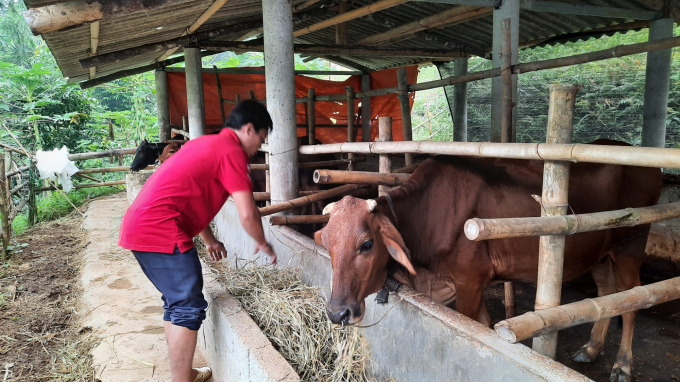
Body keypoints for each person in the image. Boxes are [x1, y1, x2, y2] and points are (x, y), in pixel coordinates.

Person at [118, 100, 277, 382]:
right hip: (161, 227)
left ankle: (184, 373)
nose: (259, 147)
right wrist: (262, 242)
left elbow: (191, 194)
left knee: (176, 303)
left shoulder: (205, 144)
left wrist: (210, 239)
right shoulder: (232, 152)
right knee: (187, 306)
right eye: (261, 139)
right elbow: (247, 210)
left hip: (143, 224)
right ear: (249, 129)